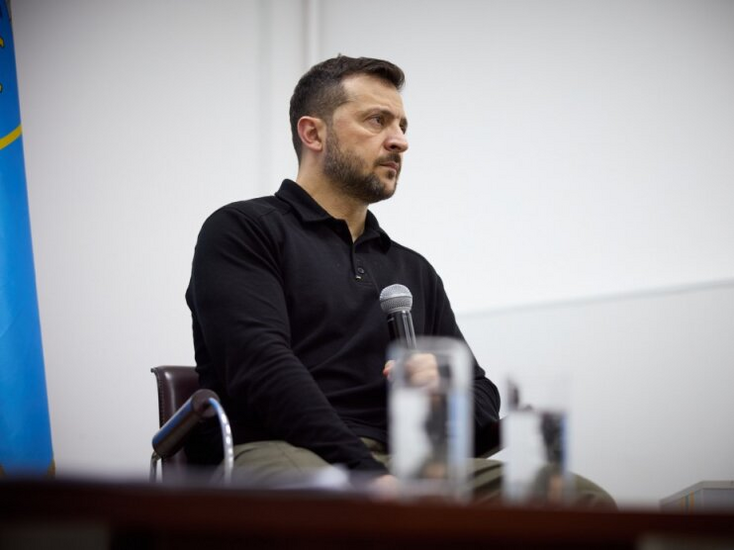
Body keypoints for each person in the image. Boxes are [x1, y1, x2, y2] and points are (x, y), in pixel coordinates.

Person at [185, 55, 613, 506]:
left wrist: (446, 382)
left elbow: (482, 393)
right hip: (280, 451)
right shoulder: (244, 229)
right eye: (377, 121)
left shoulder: (413, 270)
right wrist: (366, 473)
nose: (400, 141)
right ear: (313, 133)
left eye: (403, 126)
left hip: (404, 465)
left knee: (581, 500)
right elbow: (263, 369)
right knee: (337, 502)